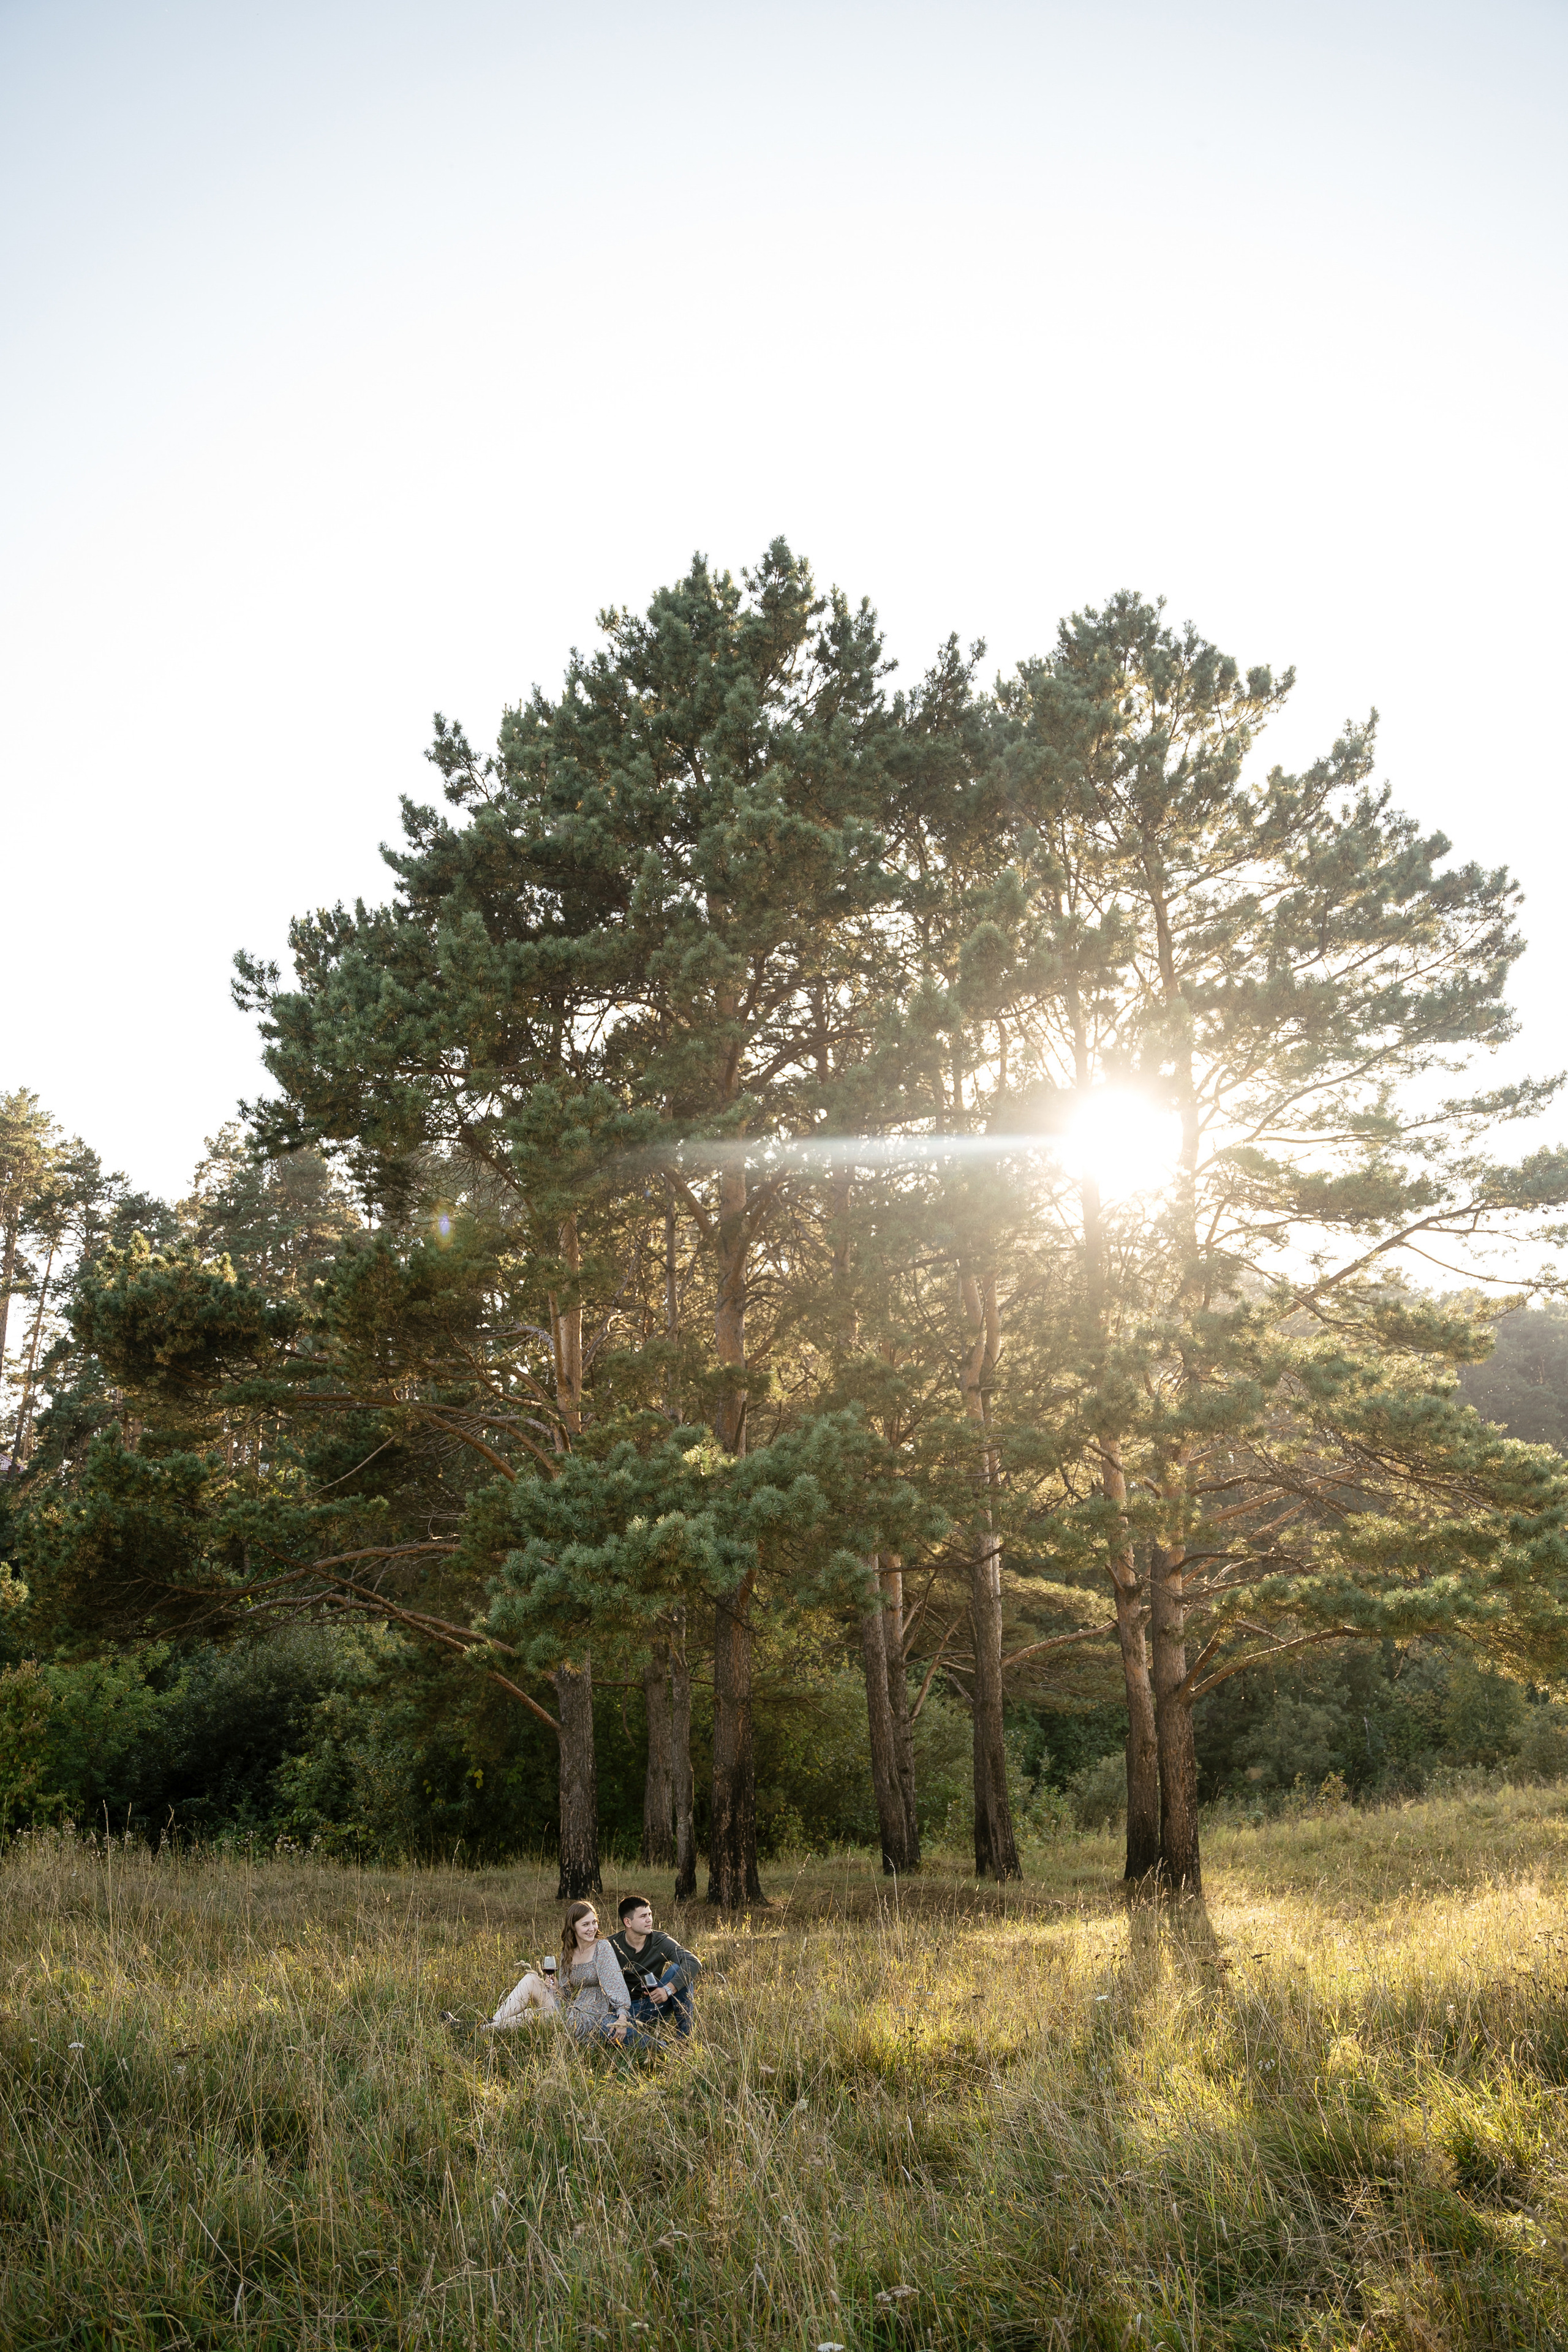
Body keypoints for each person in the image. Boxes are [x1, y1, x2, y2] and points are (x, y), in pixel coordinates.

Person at [608, 1893, 703, 2038]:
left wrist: (667, 1990)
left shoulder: (660, 1940)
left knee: (679, 1969)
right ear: (628, 1922)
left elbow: (693, 1962)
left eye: (650, 1914)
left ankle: (685, 2038)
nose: (649, 1920)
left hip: (655, 2004)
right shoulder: (610, 1945)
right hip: (624, 2012)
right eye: (643, 1916)